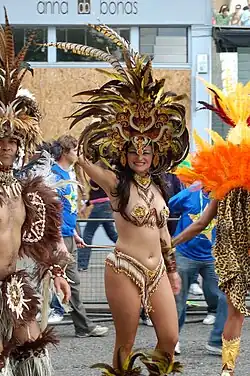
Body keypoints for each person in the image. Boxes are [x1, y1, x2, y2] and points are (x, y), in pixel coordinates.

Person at [48, 24, 190, 373]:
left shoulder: (160, 187)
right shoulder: (115, 184)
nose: (140, 155)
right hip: (124, 268)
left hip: (157, 270)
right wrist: (81, 146)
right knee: (125, 343)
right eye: (133, 150)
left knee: (169, 339)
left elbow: (163, 234)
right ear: (124, 153)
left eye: (147, 150)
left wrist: (172, 271)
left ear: (156, 154)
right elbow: (82, 157)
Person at [0, 10, 71, 375]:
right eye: (1, 140)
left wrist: (57, 270)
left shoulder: (27, 192)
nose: (6, 147)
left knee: (31, 350)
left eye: (12, 140)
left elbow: (49, 239)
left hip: (13, 284)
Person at [175, 78, 250, 375]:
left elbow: (202, 223)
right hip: (232, 256)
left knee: (235, 314)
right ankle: (227, 370)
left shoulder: (225, 187)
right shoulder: (223, 189)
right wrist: (170, 243)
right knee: (235, 314)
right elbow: (202, 223)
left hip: (235, 255)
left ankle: (227, 370)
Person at [49, 135, 109, 336]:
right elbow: (52, 213)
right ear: (65, 152)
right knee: (70, 282)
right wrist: (60, 241)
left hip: (67, 235)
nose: (78, 154)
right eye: (75, 150)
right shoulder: (55, 177)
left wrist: (74, 233)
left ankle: (78, 324)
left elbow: (68, 209)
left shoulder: (69, 174)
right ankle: (83, 326)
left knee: (67, 282)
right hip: (59, 238)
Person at [168, 185, 219, 355]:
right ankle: (173, 339)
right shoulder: (191, 192)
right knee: (178, 299)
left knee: (219, 295)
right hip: (185, 254)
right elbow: (170, 205)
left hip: (212, 256)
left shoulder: (225, 195)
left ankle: (217, 335)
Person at [78, 160, 118, 271]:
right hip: (107, 206)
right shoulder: (108, 176)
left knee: (87, 234)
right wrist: (86, 205)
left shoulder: (99, 176)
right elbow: (95, 194)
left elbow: (94, 193)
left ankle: (82, 264)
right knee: (112, 234)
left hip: (100, 207)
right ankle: (132, 252)